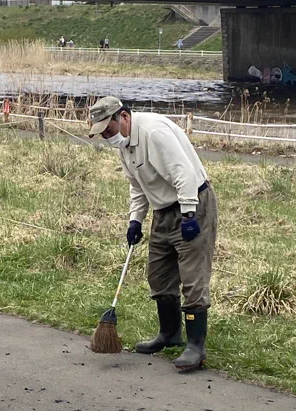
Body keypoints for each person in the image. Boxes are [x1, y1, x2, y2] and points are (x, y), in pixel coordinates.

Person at [88, 95, 216, 371]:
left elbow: (183, 173)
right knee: (158, 274)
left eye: (108, 130)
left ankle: (196, 346)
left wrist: (190, 214)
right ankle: (169, 334)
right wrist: (135, 221)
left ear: (122, 117)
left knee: (192, 277)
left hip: (192, 202)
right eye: (102, 134)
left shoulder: (153, 132)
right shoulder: (124, 145)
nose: (107, 138)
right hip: (162, 210)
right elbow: (137, 186)